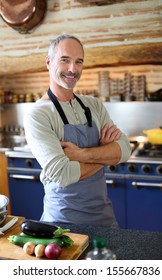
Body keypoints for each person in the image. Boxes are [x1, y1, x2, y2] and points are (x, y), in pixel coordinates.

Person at [24, 34, 131, 227]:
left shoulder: (93, 105)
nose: (73, 69)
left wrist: (80, 154)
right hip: (62, 224)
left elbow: (124, 149)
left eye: (79, 62)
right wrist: (105, 155)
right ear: (48, 62)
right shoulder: (38, 115)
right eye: (65, 60)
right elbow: (63, 174)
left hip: (104, 219)